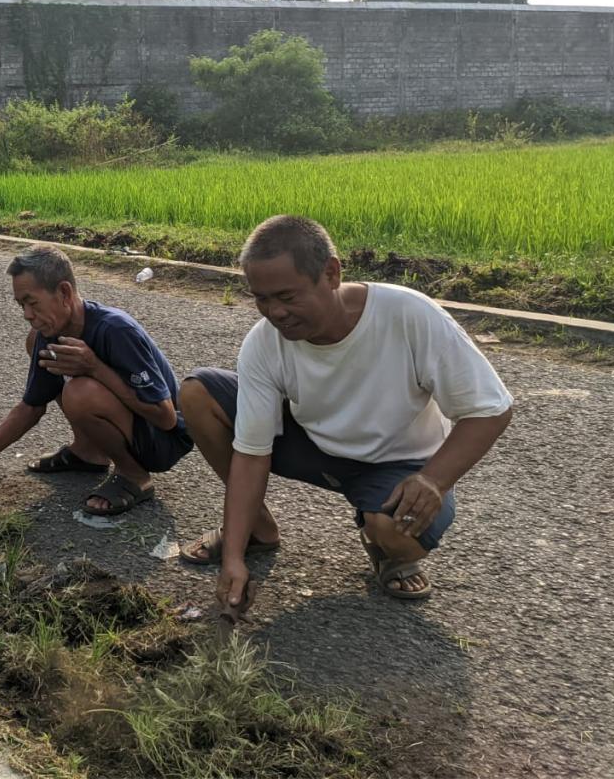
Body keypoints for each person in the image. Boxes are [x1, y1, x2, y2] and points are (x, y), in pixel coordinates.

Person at [179, 215, 513, 605]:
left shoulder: (408, 315)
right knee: (198, 394)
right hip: (315, 446)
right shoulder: (264, 344)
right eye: (261, 298)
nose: (274, 312)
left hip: (398, 462)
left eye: (287, 296)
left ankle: (384, 545)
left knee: (394, 533)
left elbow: (490, 409)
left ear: (332, 274)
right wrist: (233, 558)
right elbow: (251, 453)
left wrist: (434, 480)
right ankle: (258, 531)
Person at [0, 246, 194, 515]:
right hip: (131, 425)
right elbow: (31, 407)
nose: (27, 315)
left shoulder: (116, 330)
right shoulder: (50, 331)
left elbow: (166, 418)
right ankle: (89, 452)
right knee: (38, 346)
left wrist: (95, 368)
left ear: (64, 293)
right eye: (21, 305)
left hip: (162, 441)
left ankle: (135, 476)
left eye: (32, 303)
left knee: (80, 393)